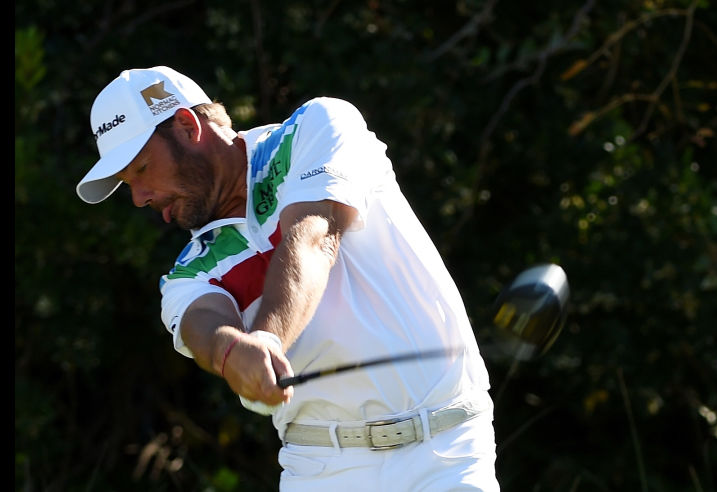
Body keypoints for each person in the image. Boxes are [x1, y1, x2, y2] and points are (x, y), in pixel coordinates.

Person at [76, 65, 500, 490]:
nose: (138, 198)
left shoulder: (316, 129)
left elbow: (315, 236)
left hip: (449, 448)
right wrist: (229, 349)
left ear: (188, 127)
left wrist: (265, 339)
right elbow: (202, 323)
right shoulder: (187, 272)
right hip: (323, 467)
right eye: (126, 183)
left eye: (142, 169)